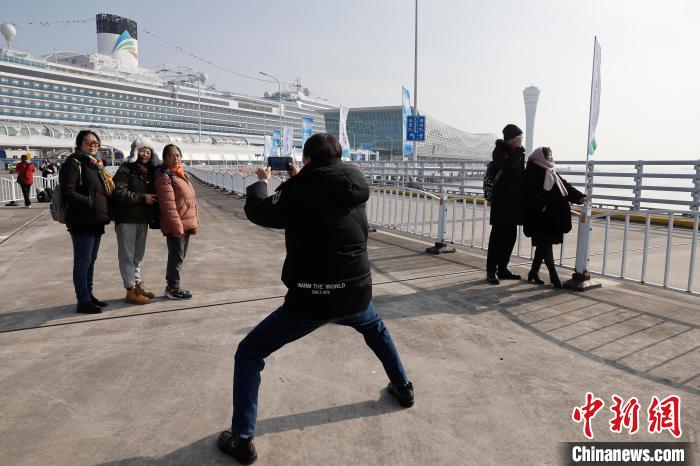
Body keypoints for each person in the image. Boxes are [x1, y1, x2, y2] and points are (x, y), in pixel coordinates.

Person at [217, 133, 413, 465]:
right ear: (338, 155)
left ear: (307, 159)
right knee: (375, 328)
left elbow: (261, 211)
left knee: (249, 353)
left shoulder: (299, 189)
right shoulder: (353, 180)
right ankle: (403, 387)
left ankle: (242, 438)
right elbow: (322, 197)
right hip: (355, 289)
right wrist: (298, 179)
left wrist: (261, 182)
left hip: (312, 296)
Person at [59, 130, 114, 314]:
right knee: (82, 262)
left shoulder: (94, 164)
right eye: (88, 142)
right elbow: (68, 192)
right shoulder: (73, 163)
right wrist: (90, 202)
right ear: (79, 144)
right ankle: (82, 301)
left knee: (90, 261)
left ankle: (89, 295)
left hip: (95, 220)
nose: (93, 145)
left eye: (96, 142)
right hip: (82, 221)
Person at [524, 147, 586, 288]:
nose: (551, 158)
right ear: (542, 157)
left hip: (551, 218)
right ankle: (554, 276)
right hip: (541, 218)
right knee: (546, 246)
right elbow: (530, 194)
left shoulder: (549, 170)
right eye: (549, 156)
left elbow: (565, 186)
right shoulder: (533, 171)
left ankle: (533, 273)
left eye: (551, 156)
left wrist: (580, 197)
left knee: (543, 245)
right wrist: (543, 206)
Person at [112, 138, 160, 304]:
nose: (145, 154)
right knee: (127, 256)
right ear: (134, 151)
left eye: (148, 151)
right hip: (127, 219)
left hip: (142, 219)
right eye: (142, 150)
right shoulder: (126, 169)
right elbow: (118, 192)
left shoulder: (149, 171)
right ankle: (130, 289)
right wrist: (142, 197)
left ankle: (137, 285)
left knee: (137, 256)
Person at [154, 144, 199, 300]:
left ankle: (173, 286)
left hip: (184, 222)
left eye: (178, 155)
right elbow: (168, 204)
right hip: (176, 224)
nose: (176, 158)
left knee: (180, 256)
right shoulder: (164, 176)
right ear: (165, 158)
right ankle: (173, 288)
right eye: (172, 155)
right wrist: (176, 226)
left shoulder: (178, 174)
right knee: (176, 256)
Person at [485, 124, 526, 284]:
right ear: (512, 139)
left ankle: (503, 268)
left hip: (514, 203)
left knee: (510, 237)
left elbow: (520, 174)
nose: (521, 140)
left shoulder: (519, 153)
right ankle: (491, 271)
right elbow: (508, 167)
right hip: (501, 202)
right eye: (519, 137)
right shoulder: (499, 151)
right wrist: (517, 154)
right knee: (497, 238)